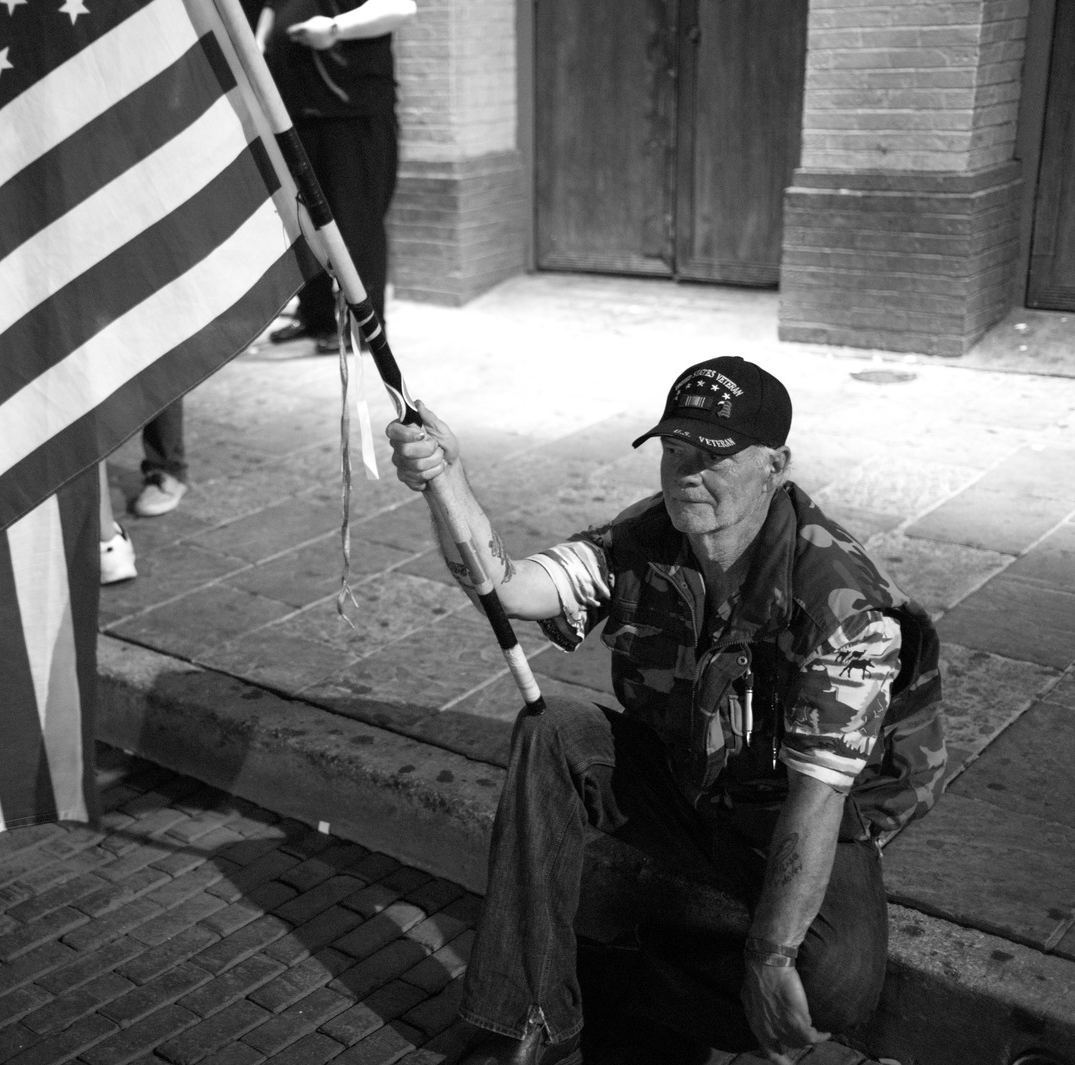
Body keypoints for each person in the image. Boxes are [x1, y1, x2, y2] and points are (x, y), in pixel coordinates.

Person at [384, 357, 946, 1065]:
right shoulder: (649, 538)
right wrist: (446, 481)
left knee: (833, 986)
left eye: (713, 456)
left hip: (793, 808)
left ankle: (607, 975)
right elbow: (507, 587)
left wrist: (769, 960)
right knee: (552, 726)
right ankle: (524, 1011)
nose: (686, 472)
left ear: (776, 464)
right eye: (674, 449)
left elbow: (818, 795)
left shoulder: (839, 599)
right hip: (689, 776)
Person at [263, 0, 414, 355]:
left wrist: (334, 29)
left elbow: (402, 7)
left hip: (350, 113)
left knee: (355, 223)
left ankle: (365, 329)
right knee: (303, 223)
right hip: (294, 112)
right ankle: (316, 316)